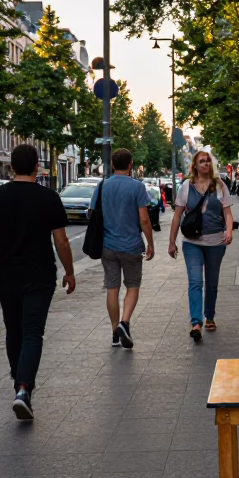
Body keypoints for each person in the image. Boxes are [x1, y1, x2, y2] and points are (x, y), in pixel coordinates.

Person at [0, 144, 75, 420]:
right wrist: (69, 271)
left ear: (11, 167)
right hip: (39, 275)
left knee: (13, 329)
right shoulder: (49, 197)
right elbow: (61, 240)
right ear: (37, 166)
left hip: (6, 275)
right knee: (33, 332)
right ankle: (24, 387)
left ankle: (19, 378)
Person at [91, 148, 155, 348]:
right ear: (130, 165)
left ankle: (114, 333)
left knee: (112, 287)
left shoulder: (102, 187)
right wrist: (150, 243)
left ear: (112, 165)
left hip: (107, 246)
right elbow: (144, 219)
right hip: (131, 246)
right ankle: (124, 323)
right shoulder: (137, 187)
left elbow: (91, 213)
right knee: (132, 285)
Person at [169, 149, 233, 341]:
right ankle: (196, 322)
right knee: (196, 282)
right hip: (192, 243)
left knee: (212, 284)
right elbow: (177, 215)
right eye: (202, 161)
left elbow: (228, 213)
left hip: (216, 242)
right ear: (195, 166)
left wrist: (228, 231)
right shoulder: (186, 187)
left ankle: (209, 316)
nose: (206, 164)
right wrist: (171, 242)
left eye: (208, 161)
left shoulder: (220, 185)